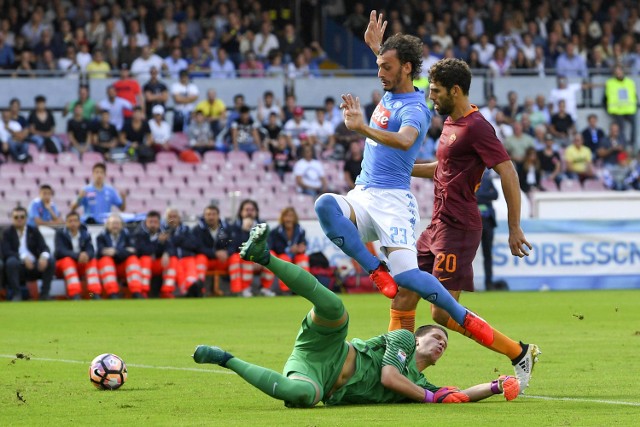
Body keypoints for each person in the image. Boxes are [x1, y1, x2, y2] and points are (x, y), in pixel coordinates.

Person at [362, 14, 539, 392]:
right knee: (404, 289)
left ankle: (518, 351)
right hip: (436, 224)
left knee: (441, 313)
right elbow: (442, 168)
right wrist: (400, 170)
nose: (431, 97)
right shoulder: (450, 125)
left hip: (459, 227)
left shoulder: (477, 127)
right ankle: (399, 367)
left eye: (437, 92)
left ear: (455, 91)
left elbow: (508, 172)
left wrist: (513, 226)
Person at [314, 11, 496, 351]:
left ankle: (464, 317)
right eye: (379, 65)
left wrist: (362, 128)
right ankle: (374, 270)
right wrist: (377, 47)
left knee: (410, 280)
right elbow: (394, 66)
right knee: (325, 204)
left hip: (393, 203)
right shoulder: (394, 84)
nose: (380, 72)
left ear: (407, 69)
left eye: (386, 67)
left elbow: (404, 140)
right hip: (363, 194)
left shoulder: (414, 107)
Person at [193, 223, 520, 407]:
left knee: (301, 397)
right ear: (417, 339)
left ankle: (226, 359)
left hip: (319, 379)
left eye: (443, 343)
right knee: (336, 309)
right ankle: (264, 257)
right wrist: (430, 398)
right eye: (435, 335)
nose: (440, 343)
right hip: (329, 347)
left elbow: (458, 396)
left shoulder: (418, 384)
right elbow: (389, 378)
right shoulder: (403, 340)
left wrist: (495, 385)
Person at [2, 206, 55, 301]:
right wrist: (23, 257)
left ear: (26, 218)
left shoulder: (33, 231)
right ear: (12, 219)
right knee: (11, 262)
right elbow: (6, 252)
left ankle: (44, 294)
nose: (19, 219)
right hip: (18, 267)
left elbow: (44, 247)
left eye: (22, 217)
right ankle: (17, 295)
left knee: (50, 260)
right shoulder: (7, 233)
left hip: (35, 265)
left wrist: (43, 257)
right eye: (16, 217)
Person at [53, 211, 105, 300]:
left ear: (79, 222)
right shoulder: (60, 233)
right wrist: (77, 255)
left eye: (75, 221)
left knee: (91, 261)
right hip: (63, 266)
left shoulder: (85, 234)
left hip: (81, 264)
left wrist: (87, 255)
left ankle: (94, 294)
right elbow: (60, 251)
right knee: (67, 261)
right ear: (66, 223)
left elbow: (91, 250)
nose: (73, 223)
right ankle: (75, 294)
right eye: (70, 221)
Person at [227, 199, 273, 297]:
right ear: (241, 212)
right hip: (243, 258)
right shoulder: (234, 227)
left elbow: (269, 244)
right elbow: (235, 247)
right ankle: (242, 289)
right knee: (242, 256)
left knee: (272, 255)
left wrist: (258, 258)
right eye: (246, 209)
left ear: (256, 212)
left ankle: (265, 289)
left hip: (259, 258)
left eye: (252, 210)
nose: (249, 212)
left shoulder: (263, 226)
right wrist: (244, 230)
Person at [96, 213, 143, 299]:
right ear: (107, 225)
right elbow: (100, 252)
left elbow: (133, 251)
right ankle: (112, 292)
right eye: (113, 223)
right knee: (106, 260)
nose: (115, 226)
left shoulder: (128, 235)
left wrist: (115, 252)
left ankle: (136, 291)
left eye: (117, 223)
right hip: (108, 267)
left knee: (133, 259)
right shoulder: (101, 236)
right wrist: (125, 251)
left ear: (122, 225)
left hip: (123, 266)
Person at [133, 210, 179, 298]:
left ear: (159, 223)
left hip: (158, 263)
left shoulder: (163, 232)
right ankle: (143, 291)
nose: (153, 225)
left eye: (155, 222)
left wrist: (166, 253)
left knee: (172, 259)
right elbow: (143, 251)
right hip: (142, 265)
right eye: (150, 222)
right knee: (145, 259)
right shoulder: (139, 233)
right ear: (146, 222)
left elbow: (172, 249)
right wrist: (158, 242)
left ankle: (167, 291)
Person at [162, 207, 203, 297]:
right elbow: (165, 247)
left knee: (190, 264)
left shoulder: (187, 229)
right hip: (173, 258)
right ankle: (186, 291)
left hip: (186, 256)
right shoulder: (162, 230)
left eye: (175, 216)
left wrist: (175, 239)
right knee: (176, 265)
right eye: (170, 217)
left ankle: (192, 287)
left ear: (179, 218)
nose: (172, 219)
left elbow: (193, 244)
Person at [267, 207, 310, 293]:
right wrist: (289, 249)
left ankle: (304, 288)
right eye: (286, 216)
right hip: (282, 256)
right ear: (282, 218)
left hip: (295, 255)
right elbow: (274, 247)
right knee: (284, 259)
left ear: (295, 218)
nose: (289, 219)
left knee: (303, 258)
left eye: (291, 216)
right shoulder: (275, 232)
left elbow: (303, 243)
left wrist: (301, 248)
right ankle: (285, 290)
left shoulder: (300, 231)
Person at [191, 205, 231, 296]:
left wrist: (227, 253)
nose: (211, 217)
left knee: (235, 258)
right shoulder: (197, 230)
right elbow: (197, 248)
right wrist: (215, 253)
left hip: (223, 260)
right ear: (204, 216)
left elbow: (233, 244)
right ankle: (200, 288)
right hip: (207, 261)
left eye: (213, 214)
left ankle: (238, 290)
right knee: (200, 258)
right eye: (208, 214)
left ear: (218, 215)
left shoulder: (227, 229)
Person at [476, 170, 501, 291]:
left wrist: (479, 196)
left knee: (488, 254)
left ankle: (489, 283)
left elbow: (495, 195)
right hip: (474, 222)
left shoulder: (487, 178)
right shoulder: (469, 177)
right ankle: (465, 284)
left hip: (487, 222)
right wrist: (486, 195)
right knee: (467, 256)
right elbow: (470, 196)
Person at [605, 65, 637, 150]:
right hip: (617, 110)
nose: (618, 73)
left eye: (619, 71)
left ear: (623, 72)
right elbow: (606, 97)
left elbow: (634, 95)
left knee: (635, 124)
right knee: (621, 128)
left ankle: (632, 142)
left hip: (629, 109)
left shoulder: (630, 82)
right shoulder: (610, 83)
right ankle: (623, 143)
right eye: (616, 71)